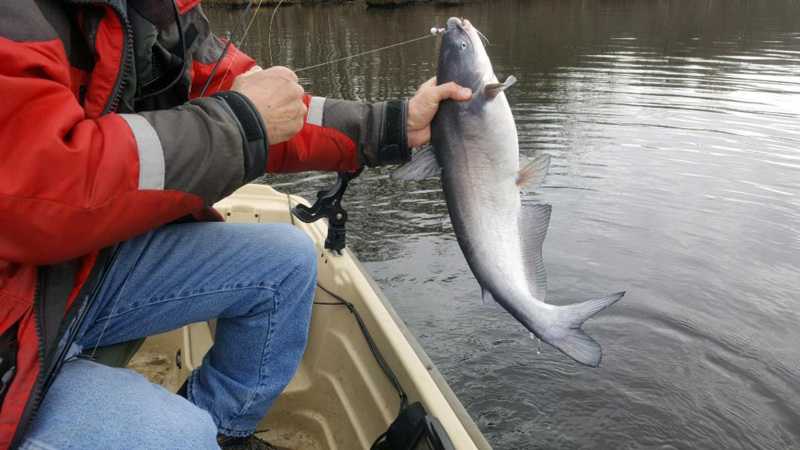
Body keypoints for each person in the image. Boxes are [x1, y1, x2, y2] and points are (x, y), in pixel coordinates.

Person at [0, 1, 472, 449]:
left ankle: (224, 428)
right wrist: (237, 121)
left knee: (285, 261)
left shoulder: (160, 12)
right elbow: (35, 185)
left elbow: (272, 113)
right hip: (11, 314)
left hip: (73, 271)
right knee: (178, 437)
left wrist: (390, 125)